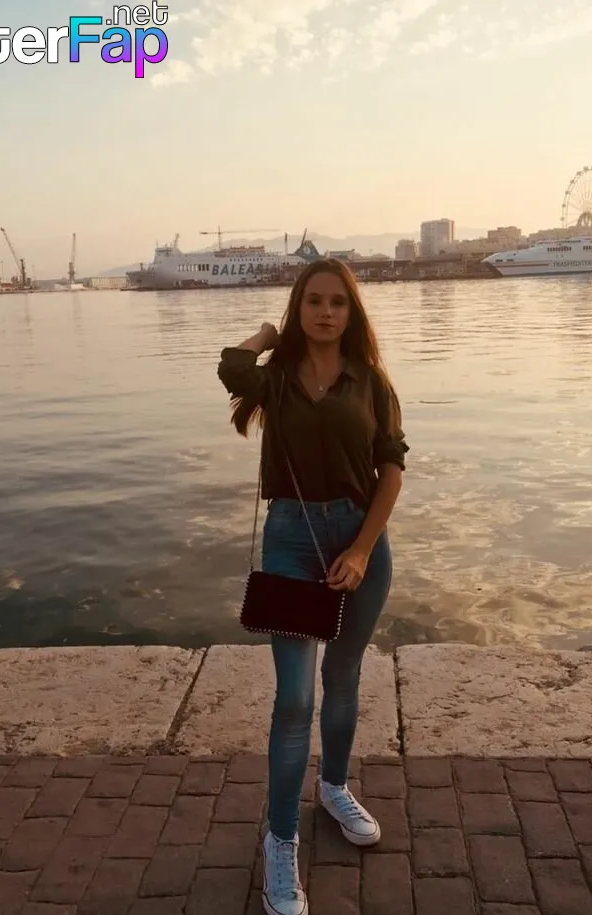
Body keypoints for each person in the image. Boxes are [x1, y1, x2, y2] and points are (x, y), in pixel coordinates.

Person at [216, 257, 408, 915]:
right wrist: (266, 336)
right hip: (293, 542)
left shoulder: (372, 382)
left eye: (337, 302)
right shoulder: (274, 379)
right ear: (299, 309)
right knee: (294, 699)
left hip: (361, 541)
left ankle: (333, 787)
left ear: (352, 313)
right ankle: (280, 839)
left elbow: (391, 469)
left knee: (344, 676)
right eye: (314, 301)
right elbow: (230, 368)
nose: (326, 312)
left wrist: (362, 549)